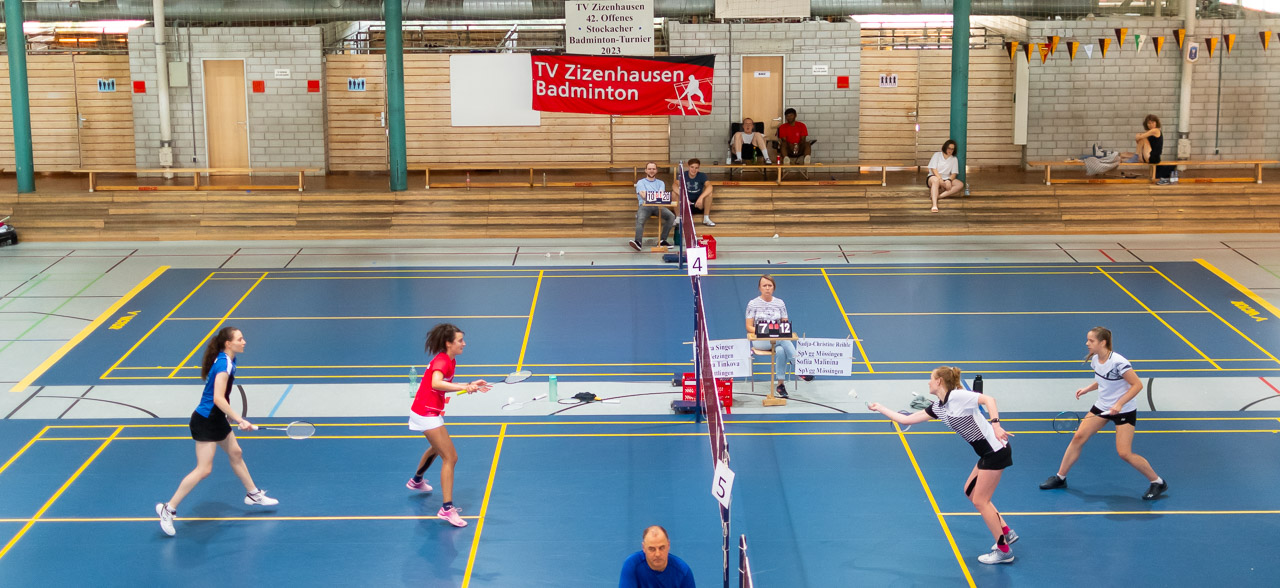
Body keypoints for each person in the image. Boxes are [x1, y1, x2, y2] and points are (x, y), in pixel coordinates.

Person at [869, 366, 1017, 565]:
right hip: (986, 453)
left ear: (939, 381)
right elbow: (906, 419)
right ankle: (1006, 532)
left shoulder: (957, 396)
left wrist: (996, 425)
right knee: (970, 492)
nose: (928, 382)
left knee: (981, 501)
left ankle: (1004, 550)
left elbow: (989, 400)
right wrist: (880, 408)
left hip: (996, 451)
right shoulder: (939, 407)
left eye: (931, 378)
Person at [155, 327, 277, 537]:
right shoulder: (223, 364)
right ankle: (169, 509)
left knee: (236, 453)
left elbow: (220, 396)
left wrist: (227, 416)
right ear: (228, 344)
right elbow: (218, 398)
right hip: (206, 420)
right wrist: (239, 419)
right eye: (240, 339)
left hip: (216, 417)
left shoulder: (229, 359)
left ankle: (253, 494)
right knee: (204, 470)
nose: (244, 342)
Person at [1039, 326, 1168, 500]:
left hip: (1124, 410)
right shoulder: (1095, 359)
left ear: (1103, 342)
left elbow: (1137, 385)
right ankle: (1060, 478)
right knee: (1078, 438)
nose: (1087, 343)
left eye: (1091, 340)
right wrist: (1087, 389)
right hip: (1102, 407)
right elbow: (1103, 380)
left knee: (1124, 453)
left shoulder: (1119, 362)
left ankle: (1158, 482)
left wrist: (1119, 403)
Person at [406, 323, 491, 527]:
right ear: (448, 343)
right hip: (426, 413)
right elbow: (436, 383)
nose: (464, 343)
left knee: (437, 448)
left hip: (428, 410)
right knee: (450, 457)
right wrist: (465, 386)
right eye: (460, 340)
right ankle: (446, 509)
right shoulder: (443, 361)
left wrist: (468, 385)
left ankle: (416, 481)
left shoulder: (450, 360)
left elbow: (442, 386)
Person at [745, 274, 811, 399]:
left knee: (781, 350)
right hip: (760, 340)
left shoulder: (780, 303)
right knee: (783, 340)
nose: (767, 288)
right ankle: (799, 367)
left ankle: (780, 386)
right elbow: (749, 327)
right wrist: (765, 331)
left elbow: (785, 325)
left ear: (774, 287)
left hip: (777, 340)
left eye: (770, 285)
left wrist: (775, 332)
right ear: (759, 288)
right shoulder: (753, 304)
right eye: (764, 285)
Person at [619, 525, 696, 588]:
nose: (657, 554)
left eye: (661, 548)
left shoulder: (683, 572)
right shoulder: (632, 565)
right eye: (652, 549)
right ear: (644, 548)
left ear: (668, 545)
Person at [631, 162, 675, 251]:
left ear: (656, 170)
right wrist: (655, 195)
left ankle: (662, 240)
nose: (651, 171)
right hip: (645, 205)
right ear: (646, 170)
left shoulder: (661, 183)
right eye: (649, 169)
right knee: (640, 218)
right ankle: (638, 242)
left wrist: (649, 195)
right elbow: (643, 196)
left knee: (671, 216)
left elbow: (661, 195)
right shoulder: (640, 182)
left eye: (653, 169)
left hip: (658, 206)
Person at [927, 139, 963, 213]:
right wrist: (940, 179)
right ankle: (934, 205)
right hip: (933, 177)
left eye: (952, 149)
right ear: (945, 147)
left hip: (946, 178)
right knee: (935, 180)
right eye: (949, 148)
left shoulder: (954, 159)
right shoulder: (937, 155)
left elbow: (954, 173)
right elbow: (933, 169)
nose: (950, 150)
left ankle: (939, 196)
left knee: (960, 184)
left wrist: (949, 180)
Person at [679, 158, 715, 227]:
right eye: (692, 167)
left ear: (699, 168)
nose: (694, 170)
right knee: (674, 193)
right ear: (688, 167)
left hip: (699, 204)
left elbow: (710, 187)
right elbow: (674, 186)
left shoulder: (702, 175)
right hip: (686, 204)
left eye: (696, 168)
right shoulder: (683, 174)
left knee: (709, 194)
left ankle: (706, 218)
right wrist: (684, 197)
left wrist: (701, 198)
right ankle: (678, 219)